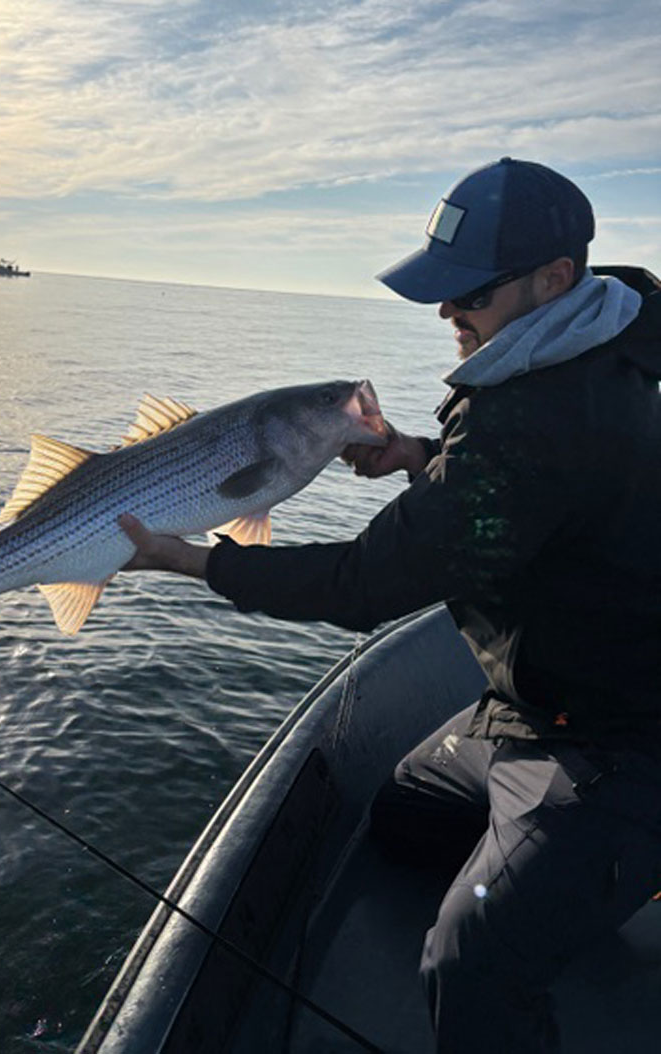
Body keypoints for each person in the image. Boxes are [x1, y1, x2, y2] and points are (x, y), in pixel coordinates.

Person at [118, 157, 661, 1052]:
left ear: (554, 279)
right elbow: (517, 501)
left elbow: (366, 585)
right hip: (525, 709)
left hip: (616, 744)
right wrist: (418, 455)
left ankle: (608, 859)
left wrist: (193, 562)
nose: (449, 313)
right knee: (404, 817)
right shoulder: (580, 347)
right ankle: (573, 877)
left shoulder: (546, 416)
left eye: (470, 294)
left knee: (469, 959)